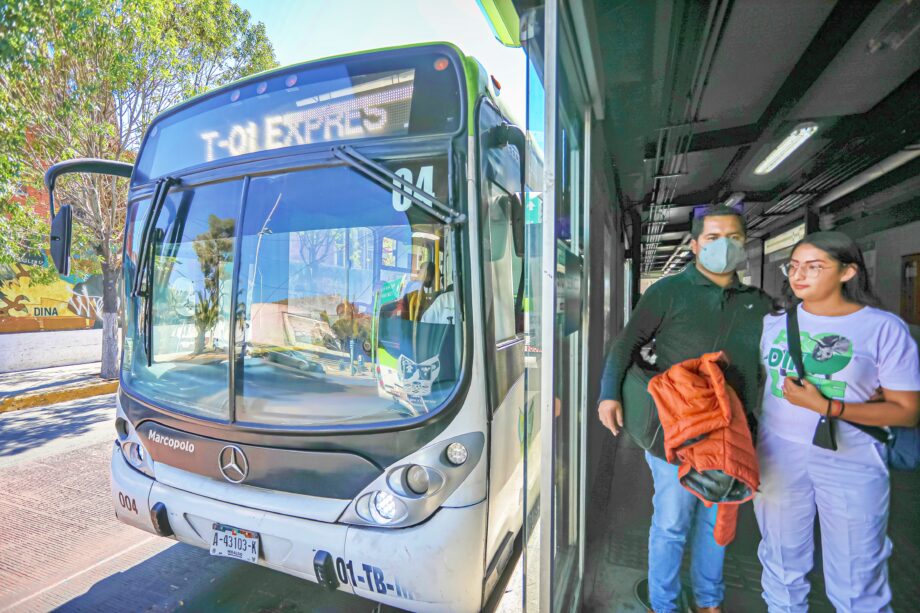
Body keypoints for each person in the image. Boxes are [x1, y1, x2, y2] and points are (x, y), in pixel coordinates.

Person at [598, 205, 773, 613]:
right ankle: (665, 603)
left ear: (744, 245)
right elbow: (626, 343)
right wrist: (610, 395)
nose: (723, 246)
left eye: (733, 238)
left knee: (717, 523)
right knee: (673, 523)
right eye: (713, 238)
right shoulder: (668, 291)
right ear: (695, 245)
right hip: (675, 430)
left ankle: (709, 602)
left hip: (734, 431)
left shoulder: (759, 303)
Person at [754, 231, 920, 612]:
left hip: (851, 457)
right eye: (794, 266)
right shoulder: (774, 324)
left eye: (815, 267)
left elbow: (907, 410)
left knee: (857, 575)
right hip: (777, 452)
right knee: (780, 563)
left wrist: (831, 407)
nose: (800, 275)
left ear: (848, 272)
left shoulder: (882, 328)